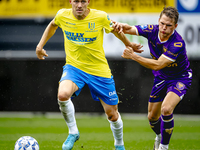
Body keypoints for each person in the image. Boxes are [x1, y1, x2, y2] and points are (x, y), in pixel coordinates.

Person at [36, 0, 142, 150]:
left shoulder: (100, 17)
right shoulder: (62, 15)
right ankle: (73, 132)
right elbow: (53, 25)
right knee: (62, 95)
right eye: (76, 1)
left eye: (83, 1)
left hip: (98, 70)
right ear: (70, 1)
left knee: (112, 114)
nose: (79, 5)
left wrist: (128, 44)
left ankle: (119, 145)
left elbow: (116, 31)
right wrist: (40, 46)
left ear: (88, 2)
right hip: (75, 68)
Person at [113, 6, 192, 150]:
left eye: (168, 25)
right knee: (152, 118)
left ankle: (163, 146)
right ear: (158, 21)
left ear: (175, 26)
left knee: (166, 109)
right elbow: (129, 28)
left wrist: (133, 56)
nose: (163, 28)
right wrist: (121, 26)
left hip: (179, 78)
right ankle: (160, 135)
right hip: (161, 78)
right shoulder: (152, 30)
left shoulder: (177, 43)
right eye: (162, 23)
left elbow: (157, 65)